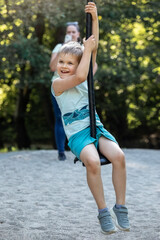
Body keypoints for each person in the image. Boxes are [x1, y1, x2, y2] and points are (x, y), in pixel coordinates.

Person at [52, 2, 130, 234]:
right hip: (78, 134)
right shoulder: (57, 84)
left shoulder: (87, 76)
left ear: (78, 64)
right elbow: (78, 77)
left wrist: (94, 18)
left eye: (69, 63)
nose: (64, 66)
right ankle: (103, 211)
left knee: (119, 156)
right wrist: (84, 53)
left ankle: (121, 206)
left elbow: (93, 48)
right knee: (93, 162)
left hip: (96, 128)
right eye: (61, 62)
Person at [50, 22, 97, 161]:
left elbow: (92, 67)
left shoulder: (83, 49)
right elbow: (53, 67)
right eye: (68, 32)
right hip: (60, 85)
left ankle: (84, 146)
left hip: (77, 86)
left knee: (81, 114)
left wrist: (84, 79)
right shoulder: (59, 47)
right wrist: (63, 49)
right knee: (60, 118)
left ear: (78, 34)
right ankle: (61, 151)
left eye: (73, 32)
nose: (70, 34)